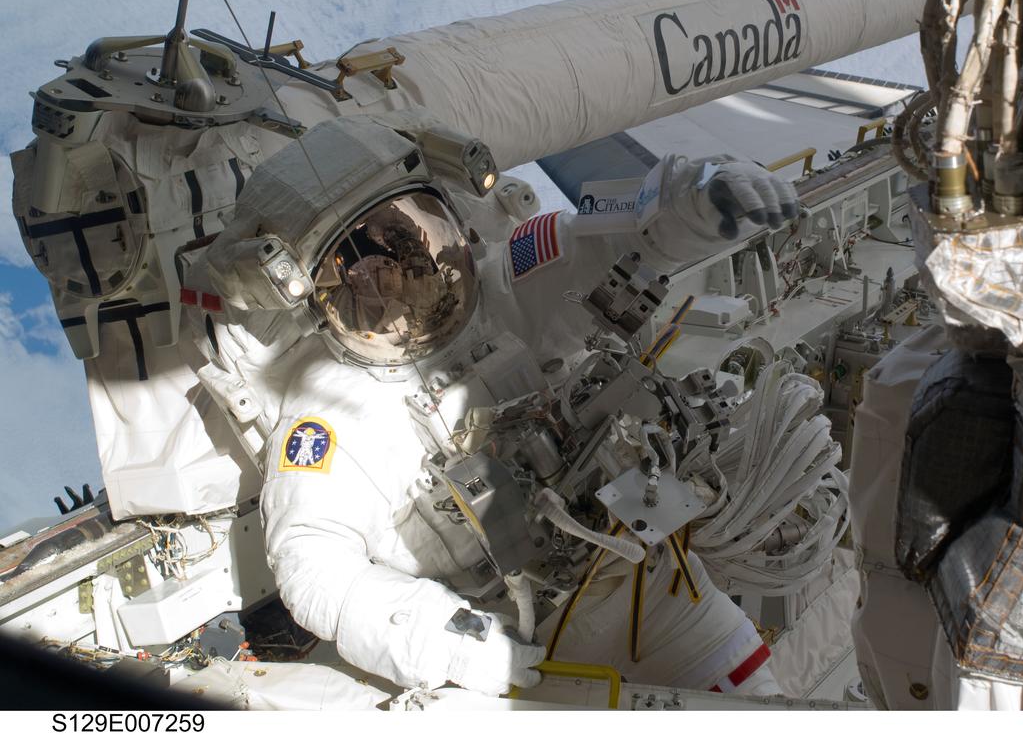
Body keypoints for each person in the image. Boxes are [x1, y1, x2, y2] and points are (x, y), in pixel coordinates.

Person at [198, 112, 803, 698]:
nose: (401, 280)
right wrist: (450, 642)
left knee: (764, 708)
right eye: (361, 268)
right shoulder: (328, 409)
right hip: (534, 648)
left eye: (408, 235)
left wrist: (695, 206)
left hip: (654, 582)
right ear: (318, 295)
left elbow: (609, 243)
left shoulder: (495, 292)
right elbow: (314, 564)